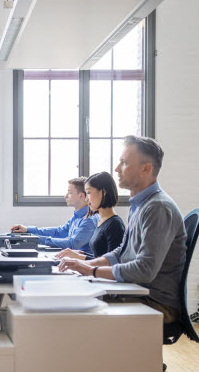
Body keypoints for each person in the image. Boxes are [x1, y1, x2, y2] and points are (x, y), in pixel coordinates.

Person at [58, 136, 186, 324]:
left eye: (124, 163)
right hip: (135, 291)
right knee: (68, 298)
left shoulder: (157, 208)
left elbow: (144, 270)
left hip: (155, 302)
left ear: (146, 168)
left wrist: (91, 271)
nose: (117, 169)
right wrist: (87, 266)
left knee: (71, 311)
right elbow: (121, 253)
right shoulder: (140, 205)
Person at [10, 177, 98, 252]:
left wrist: (36, 239)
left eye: (70, 193)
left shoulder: (89, 220)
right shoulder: (77, 217)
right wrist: (27, 230)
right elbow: (58, 232)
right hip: (73, 260)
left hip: (82, 265)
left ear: (81, 196)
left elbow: (72, 244)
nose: (66, 196)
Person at [56, 172, 125, 260]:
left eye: (88, 192)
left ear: (103, 192)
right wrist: (79, 254)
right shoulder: (101, 221)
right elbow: (101, 256)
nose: (86, 199)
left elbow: (113, 263)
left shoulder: (115, 225)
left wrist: (81, 257)